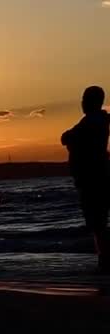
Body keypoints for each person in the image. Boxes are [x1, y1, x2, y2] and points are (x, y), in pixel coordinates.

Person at [62, 86, 110, 273]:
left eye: (84, 99)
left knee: (98, 222)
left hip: (94, 178)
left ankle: (105, 260)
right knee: (99, 222)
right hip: (94, 177)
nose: (82, 103)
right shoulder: (95, 120)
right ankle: (104, 259)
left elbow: (67, 137)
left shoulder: (92, 121)